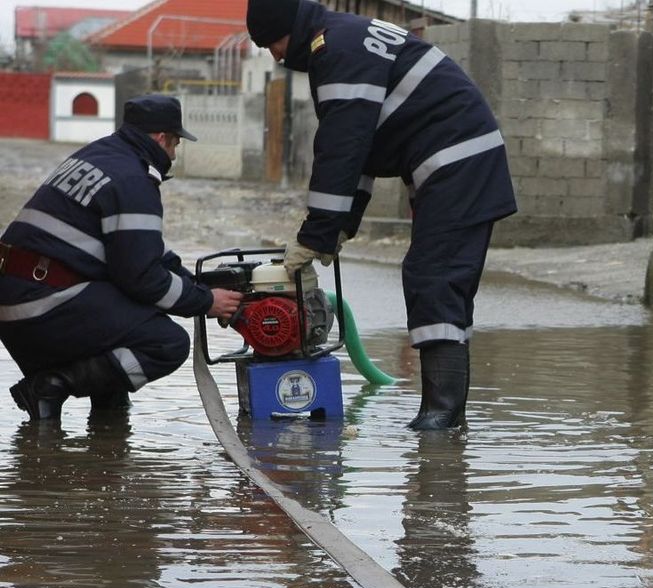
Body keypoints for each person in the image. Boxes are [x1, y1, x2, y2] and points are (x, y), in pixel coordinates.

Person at [246, 0, 517, 431]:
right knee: (438, 279)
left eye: (271, 43)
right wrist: (339, 229)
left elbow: (341, 149)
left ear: (288, 30)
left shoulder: (335, 51)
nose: (275, 56)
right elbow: (363, 155)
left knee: (434, 276)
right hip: (458, 162)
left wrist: (316, 233)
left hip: (458, 163)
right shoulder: (341, 39)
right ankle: (448, 421)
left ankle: (440, 419)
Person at [0, 95, 243, 422]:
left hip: (22, 303)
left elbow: (143, 252)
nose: (173, 154)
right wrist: (204, 302)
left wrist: (197, 284)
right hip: (40, 307)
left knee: (126, 321)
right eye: (174, 145)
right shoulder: (134, 180)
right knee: (166, 342)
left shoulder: (101, 155)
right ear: (160, 138)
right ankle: (51, 386)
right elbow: (142, 279)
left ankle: (106, 416)